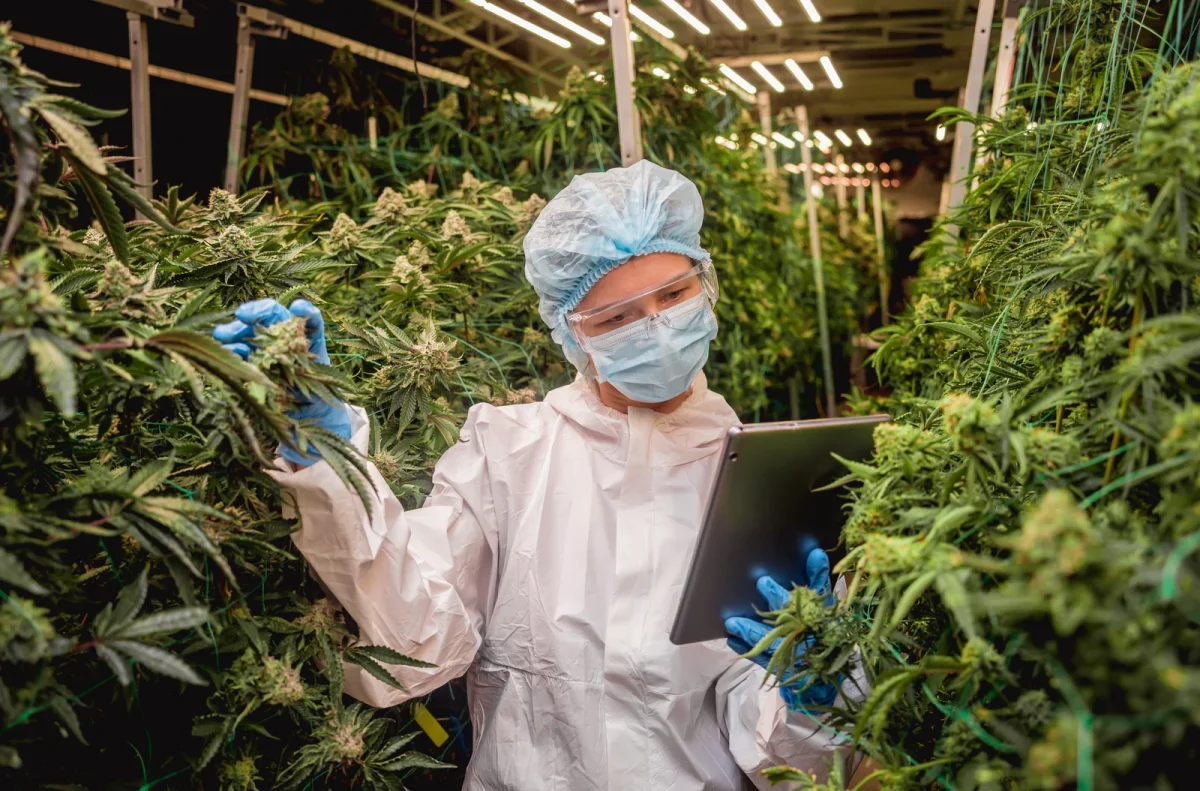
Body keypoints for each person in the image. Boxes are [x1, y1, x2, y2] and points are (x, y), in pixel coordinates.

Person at [215, 161, 863, 790]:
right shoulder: (508, 452)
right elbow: (415, 635)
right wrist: (330, 455)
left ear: (706, 284)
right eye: (618, 317)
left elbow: (781, 756)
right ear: (572, 332)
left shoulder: (755, 478)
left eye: (673, 294)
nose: (658, 326)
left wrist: (813, 696)